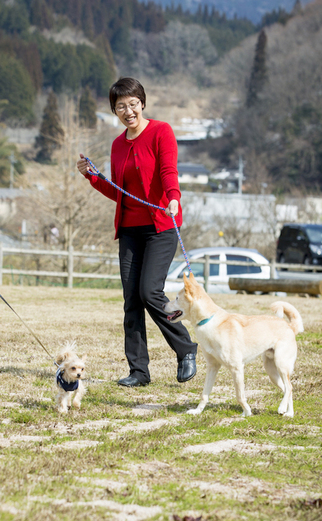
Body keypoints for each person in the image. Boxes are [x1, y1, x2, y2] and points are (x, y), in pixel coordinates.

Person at [76, 77, 198, 387]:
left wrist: (173, 197)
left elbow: (169, 170)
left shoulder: (161, 131)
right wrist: (93, 177)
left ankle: (185, 348)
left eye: (132, 104)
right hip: (129, 230)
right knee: (131, 301)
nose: (128, 111)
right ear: (114, 111)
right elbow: (120, 192)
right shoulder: (118, 145)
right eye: (120, 107)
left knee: (148, 291)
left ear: (142, 103)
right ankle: (139, 372)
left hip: (161, 225)